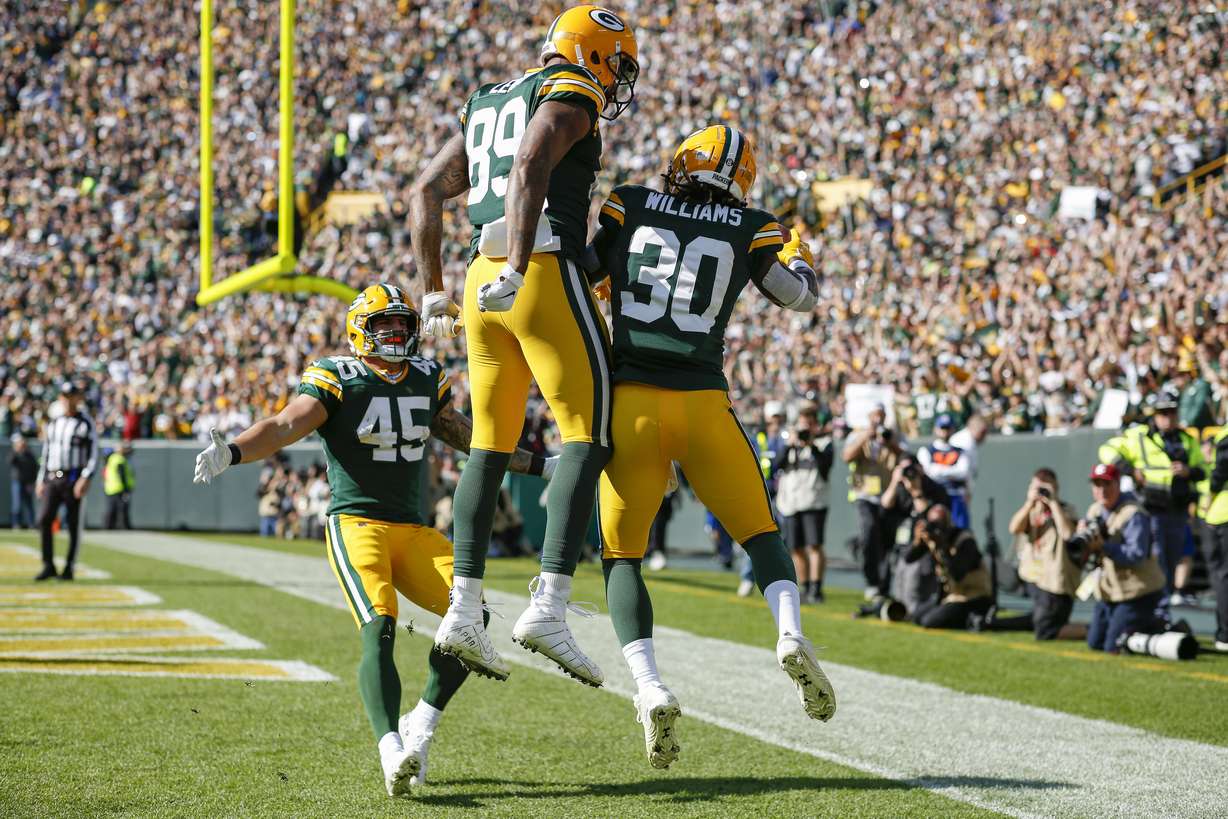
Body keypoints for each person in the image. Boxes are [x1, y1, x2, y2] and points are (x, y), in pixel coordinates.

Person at [191, 284, 555, 798]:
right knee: (379, 623)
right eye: (385, 325)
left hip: (413, 528)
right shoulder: (339, 376)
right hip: (356, 525)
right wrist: (233, 450)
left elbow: (470, 437)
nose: (397, 333)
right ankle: (390, 748)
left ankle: (420, 728)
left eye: (403, 325)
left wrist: (541, 465)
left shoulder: (427, 377)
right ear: (361, 329)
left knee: (471, 616)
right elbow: (284, 424)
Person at [589, 124, 836, 768]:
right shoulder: (750, 224)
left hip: (631, 403)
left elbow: (584, 279)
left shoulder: (630, 202)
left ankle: (649, 685)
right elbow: (799, 299)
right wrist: (801, 252)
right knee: (761, 534)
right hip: (704, 402)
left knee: (622, 556)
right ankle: (789, 635)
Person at [408, 5, 640, 687]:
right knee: (588, 436)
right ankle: (549, 604)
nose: (620, 78)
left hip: (479, 285)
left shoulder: (488, 99)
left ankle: (463, 606)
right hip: (536, 271)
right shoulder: (571, 88)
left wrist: (432, 292)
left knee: (489, 443)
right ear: (591, 52)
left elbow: (425, 190)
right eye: (619, 62)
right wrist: (518, 263)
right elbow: (535, 156)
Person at [1105, 387, 1204, 616]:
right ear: (1154, 414)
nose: (1167, 417)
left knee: (1171, 562)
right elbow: (1107, 450)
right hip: (1152, 510)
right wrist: (1131, 470)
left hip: (1177, 512)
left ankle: (1162, 614)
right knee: (1157, 564)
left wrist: (1189, 471)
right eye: (1162, 413)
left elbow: (1203, 470)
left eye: (1171, 412)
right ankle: (1155, 613)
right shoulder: (1139, 435)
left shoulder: (1187, 440)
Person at [988, 468, 1085, 640]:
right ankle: (992, 623)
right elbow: (1014, 528)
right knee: (991, 564)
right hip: (1031, 578)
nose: (1041, 491)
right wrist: (1029, 503)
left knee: (1045, 630)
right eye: (1037, 486)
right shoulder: (1032, 511)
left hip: (1055, 585)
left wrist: (1053, 502)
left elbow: (1068, 534)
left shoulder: (1066, 510)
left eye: (1045, 487)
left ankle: (1089, 630)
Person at [1081, 464, 1165, 653]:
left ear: (1118, 485)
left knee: (1113, 647)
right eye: (1097, 484)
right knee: (1095, 643)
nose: (1102, 490)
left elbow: (1135, 556)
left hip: (1137, 592)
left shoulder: (1133, 513)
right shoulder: (1094, 510)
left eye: (1107, 484)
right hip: (1110, 591)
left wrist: (1103, 547)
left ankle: (1157, 625)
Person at [35, 382, 97, 581]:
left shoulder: (85, 423)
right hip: (53, 477)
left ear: (78, 398)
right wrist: (41, 479)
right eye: (64, 396)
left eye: (71, 396)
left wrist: (85, 477)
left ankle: (69, 566)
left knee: (72, 524)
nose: (68, 400)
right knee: (44, 519)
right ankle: (48, 564)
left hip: (73, 478)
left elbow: (93, 452)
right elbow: (47, 453)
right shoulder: (54, 422)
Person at [842, 402, 905, 599]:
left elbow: (904, 456)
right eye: (874, 416)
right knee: (869, 533)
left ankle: (883, 586)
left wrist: (890, 442)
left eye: (881, 415)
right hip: (865, 494)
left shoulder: (893, 434)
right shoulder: (859, 434)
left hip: (888, 495)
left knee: (887, 541)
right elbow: (847, 456)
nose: (878, 420)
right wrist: (866, 436)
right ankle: (871, 581)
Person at [773, 405, 834, 603]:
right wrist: (791, 444)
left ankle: (817, 588)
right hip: (790, 501)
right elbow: (777, 466)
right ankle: (805, 586)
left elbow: (825, 466)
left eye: (810, 422)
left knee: (814, 545)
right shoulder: (789, 442)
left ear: (816, 424)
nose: (806, 426)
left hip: (814, 500)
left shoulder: (824, 442)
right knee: (796, 547)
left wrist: (811, 444)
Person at [909, 504, 994, 629]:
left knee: (929, 622)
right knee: (916, 617)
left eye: (939, 523)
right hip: (952, 595)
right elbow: (908, 558)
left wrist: (942, 548)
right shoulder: (934, 540)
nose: (936, 528)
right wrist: (918, 540)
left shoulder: (965, 540)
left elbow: (957, 574)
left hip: (973, 597)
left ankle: (973, 619)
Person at [1196, 429, 1228, 652]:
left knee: (1222, 576)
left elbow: (1220, 471)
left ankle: (1225, 634)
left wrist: (1211, 495)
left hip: (1220, 517)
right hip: (1216, 517)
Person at [917, 413, 973, 529]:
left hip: (955, 497)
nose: (945, 431)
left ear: (953, 429)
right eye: (942, 428)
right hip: (935, 498)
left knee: (961, 529)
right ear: (936, 429)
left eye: (948, 428)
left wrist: (938, 470)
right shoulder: (926, 451)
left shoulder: (961, 452)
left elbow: (963, 472)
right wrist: (952, 471)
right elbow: (929, 472)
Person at [102, 442, 135, 530]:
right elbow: (122, 475)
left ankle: (111, 527)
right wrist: (125, 489)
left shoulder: (113, 458)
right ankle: (117, 527)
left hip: (112, 488)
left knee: (113, 509)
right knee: (118, 509)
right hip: (118, 488)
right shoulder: (119, 459)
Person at [9, 433, 37, 528]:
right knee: (16, 504)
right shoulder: (15, 453)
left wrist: (33, 482)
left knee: (29, 504)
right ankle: (16, 524)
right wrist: (16, 451)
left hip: (28, 482)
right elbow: (10, 461)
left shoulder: (29, 454)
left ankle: (31, 524)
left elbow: (34, 467)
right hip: (17, 481)